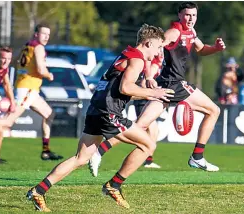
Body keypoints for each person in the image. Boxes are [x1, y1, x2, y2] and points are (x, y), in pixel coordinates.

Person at [26, 24, 174, 212]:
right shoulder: (137, 60)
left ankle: (39, 190)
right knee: (148, 145)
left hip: (96, 109)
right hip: (108, 112)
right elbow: (125, 88)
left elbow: (123, 91)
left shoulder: (127, 53)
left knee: (80, 158)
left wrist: (149, 92)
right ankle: (115, 185)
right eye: (158, 47)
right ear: (147, 43)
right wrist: (154, 94)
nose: (159, 52)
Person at [90, 1, 226, 173]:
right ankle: (197, 157)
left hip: (166, 86)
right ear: (179, 15)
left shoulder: (190, 32)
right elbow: (149, 49)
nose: (191, 18)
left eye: (194, 15)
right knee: (214, 110)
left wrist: (215, 48)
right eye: (187, 15)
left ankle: (98, 152)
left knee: (140, 126)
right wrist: (147, 75)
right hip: (174, 84)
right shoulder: (174, 32)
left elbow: (201, 50)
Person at [88, 53, 164, 177]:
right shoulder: (152, 60)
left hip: (145, 97)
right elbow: (144, 82)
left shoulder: (157, 59)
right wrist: (154, 91)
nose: (160, 50)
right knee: (137, 130)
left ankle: (147, 160)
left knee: (145, 131)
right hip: (144, 98)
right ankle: (100, 152)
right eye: (160, 46)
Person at [0, 23, 63, 161]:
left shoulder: (27, 46)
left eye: (48, 34)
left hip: (29, 89)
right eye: (43, 33)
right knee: (8, 122)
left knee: (49, 114)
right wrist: (49, 75)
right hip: (27, 89)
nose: (46, 37)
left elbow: (14, 61)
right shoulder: (38, 48)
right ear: (36, 34)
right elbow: (40, 69)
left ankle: (46, 150)